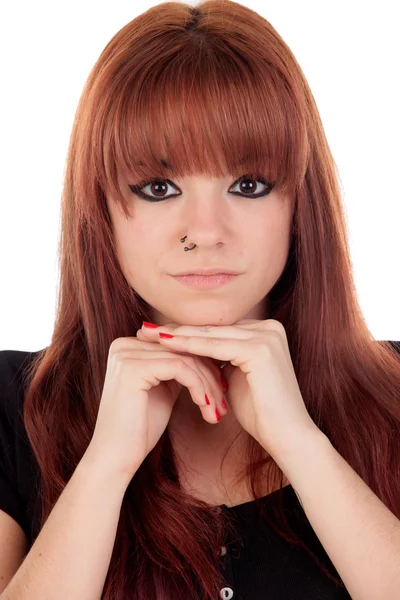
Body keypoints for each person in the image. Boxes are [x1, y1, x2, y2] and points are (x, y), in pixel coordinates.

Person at [1, 1, 400, 599]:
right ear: (101, 210)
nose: (206, 230)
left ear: (299, 204)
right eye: (159, 188)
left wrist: (302, 444)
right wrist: (104, 466)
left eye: (249, 185)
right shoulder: (15, 404)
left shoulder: (394, 394)